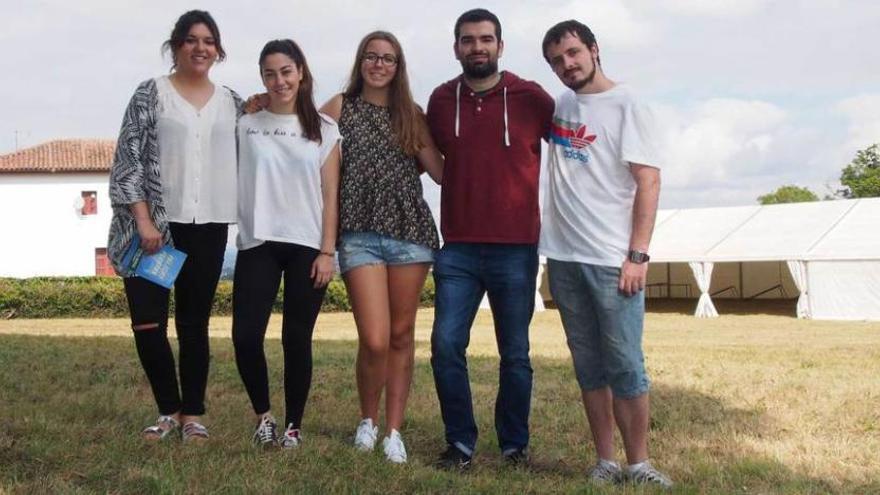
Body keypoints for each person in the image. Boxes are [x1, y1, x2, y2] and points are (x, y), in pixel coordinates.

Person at [540, 20, 671, 487]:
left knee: (625, 363)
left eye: (573, 53)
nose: (567, 65)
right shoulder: (560, 105)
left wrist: (638, 254)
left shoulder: (628, 102)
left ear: (594, 49)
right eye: (557, 60)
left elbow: (648, 181)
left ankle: (639, 464)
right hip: (563, 256)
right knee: (588, 363)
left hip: (613, 260)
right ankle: (606, 460)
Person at [426, 8, 555, 469]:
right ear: (456, 47)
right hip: (457, 248)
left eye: (485, 39)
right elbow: (418, 144)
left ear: (500, 46)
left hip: (516, 248)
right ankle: (460, 443)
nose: (476, 47)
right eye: (467, 40)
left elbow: (574, 141)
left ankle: (514, 445)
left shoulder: (531, 98)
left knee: (515, 354)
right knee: (445, 346)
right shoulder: (441, 100)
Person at [107, 9, 241, 442]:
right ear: (176, 46)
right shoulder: (151, 94)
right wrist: (143, 220)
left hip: (209, 225)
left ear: (217, 50)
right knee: (147, 324)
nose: (200, 48)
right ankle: (167, 409)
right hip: (156, 230)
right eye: (191, 40)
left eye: (209, 41)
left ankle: (192, 416)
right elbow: (127, 160)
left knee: (193, 324)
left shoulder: (233, 103)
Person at [320, 31, 443, 464]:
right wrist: (261, 102)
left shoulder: (411, 114)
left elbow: (441, 173)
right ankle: (366, 420)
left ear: (398, 66)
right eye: (371, 57)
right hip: (359, 235)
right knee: (373, 339)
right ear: (360, 62)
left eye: (388, 59)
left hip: (410, 235)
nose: (378, 64)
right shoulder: (338, 107)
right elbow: (300, 140)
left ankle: (393, 430)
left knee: (400, 334)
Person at [232, 39, 341, 449]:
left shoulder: (324, 129)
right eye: (270, 73)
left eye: (286, 71)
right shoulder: (246, 124)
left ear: (301, 72)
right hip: (257, 241)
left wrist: (327, 251)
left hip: (307, 245)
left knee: (296, 338)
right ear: (262, 78)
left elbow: (331, 194)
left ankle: (293, 426)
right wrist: (247, 104)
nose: (279, 81)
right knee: (245, 336)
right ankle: (264, 417)